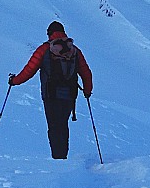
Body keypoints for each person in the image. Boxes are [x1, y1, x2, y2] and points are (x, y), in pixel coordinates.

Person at [9, 21, 92, 159]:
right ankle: (62, 156)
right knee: (63, 125)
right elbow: (86, 73)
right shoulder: (74, 51)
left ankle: (57, 158)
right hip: (70, 96)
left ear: (49, 34)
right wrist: (87, 91)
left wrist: (14, 81)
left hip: (51, 95)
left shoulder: (45, 49)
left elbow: (29, 71)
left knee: (54, 126)